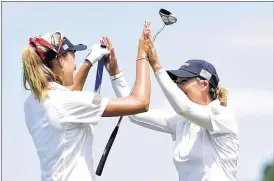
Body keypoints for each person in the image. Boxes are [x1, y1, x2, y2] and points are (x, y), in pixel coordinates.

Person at [109, 22, 239, 181]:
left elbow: (183, 108)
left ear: (204, 84)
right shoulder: (182, 122)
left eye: (183, 81)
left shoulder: (222, 116)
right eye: (176, 83)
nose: (178, 87)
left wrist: (156, 65)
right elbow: (135, 113)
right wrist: (115, 75)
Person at [23, 22, 151, 181]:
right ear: (61, 60)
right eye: (73, 57)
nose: (75, 66)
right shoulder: (67, 102)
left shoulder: (31, 102)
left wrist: (89, 61)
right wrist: (143, 54)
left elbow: (69, 95)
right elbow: (141, 102)